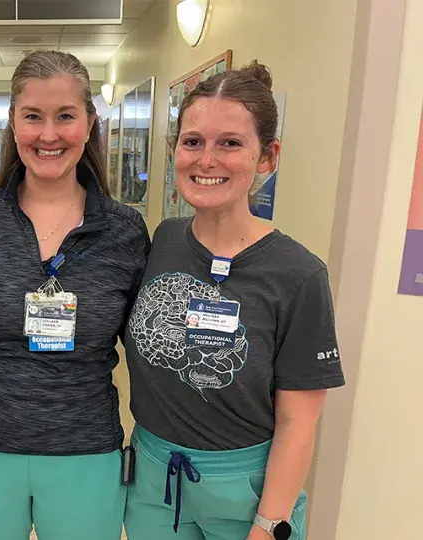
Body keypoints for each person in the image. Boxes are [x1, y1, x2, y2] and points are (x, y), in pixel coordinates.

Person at [123, 60, 345, 540]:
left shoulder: (299, 275)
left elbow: (298, 422)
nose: (206, 161)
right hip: (154, 483)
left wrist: (268, 526)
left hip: (246, 494)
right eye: (193, 141)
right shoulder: (163, 241)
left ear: (268, 157)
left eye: (230, 143)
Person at [0, 50, 151, 540]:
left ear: (90, 123)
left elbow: (137, 346)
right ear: (13, 123)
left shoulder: (125, 232)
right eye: (32, 116)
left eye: (65, 116)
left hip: (86, 451)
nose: (49, 134)